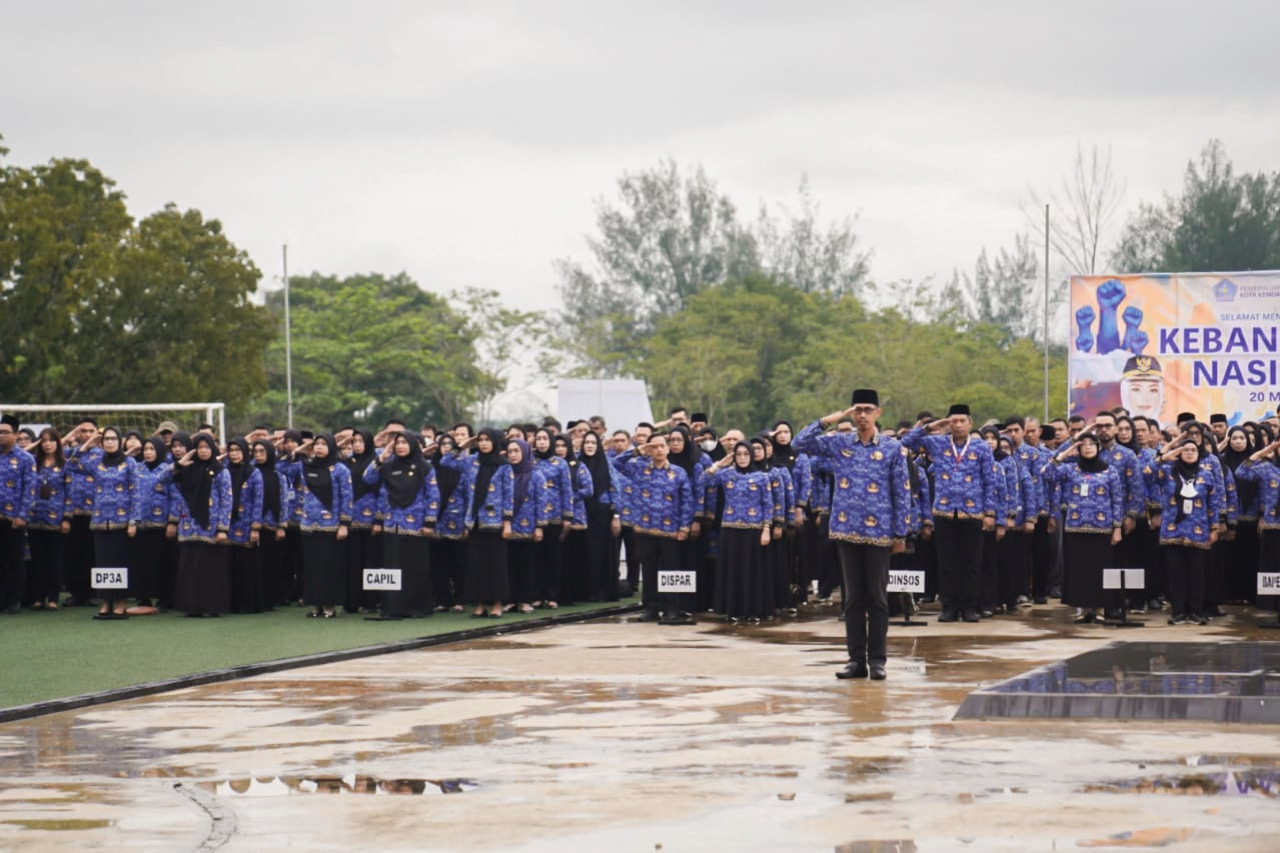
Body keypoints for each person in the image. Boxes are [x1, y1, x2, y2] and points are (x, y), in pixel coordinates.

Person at [794, 390, 910, 680]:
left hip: (880, 532)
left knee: (878, 598)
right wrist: (830, 419)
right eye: (857, 410)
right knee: (853, 599)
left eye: (867, 410)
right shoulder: (839, 443)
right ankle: (856, 660)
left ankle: (878, 660)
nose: (861, 415)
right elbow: (799, 443)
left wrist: (901, 534)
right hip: (846, 530)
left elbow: (902, 492)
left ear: (878, 413)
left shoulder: (892, 448)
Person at [899, 404, 997, 623]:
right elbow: (905, 443)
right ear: (948, 423)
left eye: (962, 420)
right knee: (947, 562)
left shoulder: (981, 447)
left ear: (970, 423)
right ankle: (950, 606)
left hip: (972, 512)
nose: (958, 425)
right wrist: (931, 426)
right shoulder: (938, 443)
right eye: (954, 420)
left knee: (971, 562)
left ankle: (970, 606)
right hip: (944, 512)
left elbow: (990, 480)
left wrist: (990, 512)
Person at [610, 434, 696, 624]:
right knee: (648, 570)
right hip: (645, 529)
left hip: (670, 530)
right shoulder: (639, 469)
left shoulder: (678, 472)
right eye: (654, 446)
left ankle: (671, 608)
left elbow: (687, 502)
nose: (658, 450)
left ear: (667, 449)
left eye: (661, 446)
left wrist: (684, 527)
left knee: (670, 570)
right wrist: (637, 450)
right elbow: (615, 463)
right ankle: (650, 607)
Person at [1045, 431, 1124, 623]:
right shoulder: (1071, 469)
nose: (1088, 447)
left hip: (1102, 528)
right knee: (1080, 570)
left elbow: (1117, 499)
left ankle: (1099, 610)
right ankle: (1083, 609)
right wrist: (1064, 453)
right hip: (1075, 527)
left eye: (1092, 443)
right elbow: (1047, 474)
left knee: (1099, 570)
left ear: (1098, 448)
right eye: (1083, 444)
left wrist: (1117, 527)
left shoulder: (1109, 471)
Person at [364, 429, 440, 617]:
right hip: (392, 525)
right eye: (397, 443)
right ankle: (392, 607)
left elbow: (433, 496)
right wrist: (382, 456)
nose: (400, 446)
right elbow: (368, 478)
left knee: (415, 568)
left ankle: (416, 608)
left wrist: (430, 523)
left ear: (413, 445)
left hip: (415, 526)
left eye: (404, 443)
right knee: (392, 567)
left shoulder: (425, 467)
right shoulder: (388, 466)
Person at [440, 428, 513, 618]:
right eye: (480, 440)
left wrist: (507, 523)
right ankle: (480, 605)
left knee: (496, 565)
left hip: (496, 522)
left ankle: (497, 604)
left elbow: (508, 496)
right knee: (476, 565)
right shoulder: (471, 461)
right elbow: (445, 461)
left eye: (488, 440)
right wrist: (462, 445)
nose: (483, 443)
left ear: (496, 442)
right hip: (475, 522)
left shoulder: (504, 466)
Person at [67, 426, 138, 615]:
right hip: (99, 520)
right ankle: (107, 602)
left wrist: (133, 521)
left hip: (122, 522)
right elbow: (71, 465)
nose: (109, 442)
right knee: (103, 562)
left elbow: (136, 493)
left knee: (121, 562)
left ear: (120, 441)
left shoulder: (129, 463)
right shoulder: (96, 462)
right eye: (106, 439)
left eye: (113, 438)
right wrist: (88, 443)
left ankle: (121, 602)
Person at [1152, 437, 1223, 624]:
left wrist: (1215, 528)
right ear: (1179, 453)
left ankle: (1196, 611)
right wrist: (1162, 457)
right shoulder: (1167, 472)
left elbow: (1213, 504)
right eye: (1185, 449)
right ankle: (1178, 611)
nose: (1189, 452)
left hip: (1198, 531)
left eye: (1193, 449)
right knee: (1176, 574)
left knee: (1197, 574)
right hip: (1172, 530)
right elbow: (1145, 474)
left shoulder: (1206, 474)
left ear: (1199, 453)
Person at [704, 441, 773, 622]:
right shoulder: (726, 475)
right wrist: (718, 464)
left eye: (746, 454)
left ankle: (753, 611)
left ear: (751, 456)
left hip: (754, 529)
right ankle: (733, 610)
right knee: (732, 570)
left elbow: (768, 504)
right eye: (739, 454)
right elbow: (702, 481)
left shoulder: (761, 477)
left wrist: (766, 530)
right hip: (730, 529)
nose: (742, 458)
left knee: (752, 571)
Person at [169, 433, 233, 617]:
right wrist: (179, 464)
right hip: (188, 526)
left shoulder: (220, 470)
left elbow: (226, 501)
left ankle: (211, 607)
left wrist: (222, 528)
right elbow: (162, 480)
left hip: (211, 527)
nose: (203, 451)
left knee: (210, 569)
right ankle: (191, 607)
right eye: (200, 447)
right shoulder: (186, 470)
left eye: (207, 447)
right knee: (190, 568)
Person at [297, 433, 353, 618]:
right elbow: (281, 466)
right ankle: (315, 605)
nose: (319, 447)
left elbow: (347, 497)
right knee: (311, 567)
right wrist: (300, 451)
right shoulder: (306, 466)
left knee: (328, 566)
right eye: (316, 444)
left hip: (331, 525)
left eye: (323, 444)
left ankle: (329, 605)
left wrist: (344, 524)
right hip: (308, 524)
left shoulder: (340, 469)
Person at [503, 437, 548, 614]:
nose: (513, 455)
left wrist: (539, 526)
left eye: (516, 451)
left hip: (529, 527)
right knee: (509, 565)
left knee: (527, 565)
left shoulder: (536, 475)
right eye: (510, 452)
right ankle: (511, 600)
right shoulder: (506, 473)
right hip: (509, 527)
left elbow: (541, 502)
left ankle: (526, 600)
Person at [26, 427, 68, 610]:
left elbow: (70, 493)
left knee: (54, 560)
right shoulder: (32, 463)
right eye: (44, 440)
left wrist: (67, 518)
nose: (47, 444)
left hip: (56, 519)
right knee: (37, 560)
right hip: (35, 517)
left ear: (58, 442)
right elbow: (19, 453)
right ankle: (37, 597)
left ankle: (52, 597)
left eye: (51, 440)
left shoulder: (65, 464)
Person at [130, 436, 173, 611]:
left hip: (160, 525)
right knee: (141, 563)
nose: (148, 453)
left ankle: (164, 599)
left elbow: (175, 497)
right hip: (140, 525)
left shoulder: (168, 470)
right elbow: (131, 496)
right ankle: (143, 598)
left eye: (152, 449)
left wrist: (172, 521)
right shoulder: (136, 469)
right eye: (146, 449)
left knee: (162, 563)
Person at [0, 415, 36, 613]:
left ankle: (15, 599)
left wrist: (22, 515)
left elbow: (30, 490)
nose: (1, 436)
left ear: (14, 434)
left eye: (5, 433)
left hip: (13, 519)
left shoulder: (25, 459)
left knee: (15, 560)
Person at [224, 438, 265, 614]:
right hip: (229, 524)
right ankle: (232, 602)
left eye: (237, 450)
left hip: (247, 523)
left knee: (247, 565)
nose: (234, 454)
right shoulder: (224, 471)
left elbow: (258, 500)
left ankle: (249, 603)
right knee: (230, 564)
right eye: (231, 450)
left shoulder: (253, 473)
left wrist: (255, 526)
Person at [429, 433, 468, 612]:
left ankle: (460, 599)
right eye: (442, 444)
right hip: (436, 522)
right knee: (438, 563)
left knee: (459, 563)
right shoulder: (431, 468)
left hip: (457, 522)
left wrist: (467, 522)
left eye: (449, 444)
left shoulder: (461, 468)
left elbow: (469, 496)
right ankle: (443, 600)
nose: (445, 447)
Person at [252, 438, 292, 610]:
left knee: (272, 562)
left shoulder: (278, 475)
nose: (259, 455)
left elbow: (283, 501)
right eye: (256, 452)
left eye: (263, 452)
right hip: (252, 525)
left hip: (271, 524)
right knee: (254, 563)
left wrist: (281, 525)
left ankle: (272, 597)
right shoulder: (251, 473)